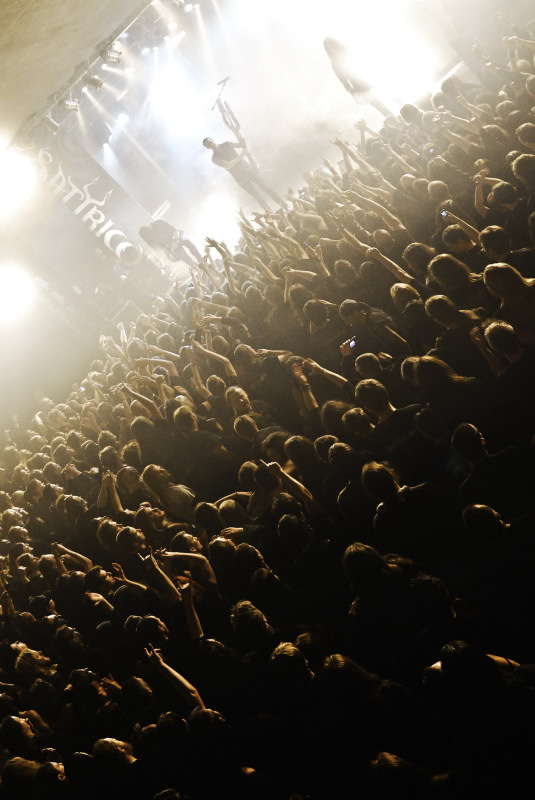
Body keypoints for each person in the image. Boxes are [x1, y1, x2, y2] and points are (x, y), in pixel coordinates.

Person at [202, 137, 285, 210]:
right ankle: (270, 214)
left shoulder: (227, 143)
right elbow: (228, 165)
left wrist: (242, 137)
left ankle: (283, 204)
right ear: (207, 148)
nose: (211, 144)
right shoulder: (214, 158)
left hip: (248, 169)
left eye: (210, 142)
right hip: (240, 178)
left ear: (213, 140)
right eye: (208, 145)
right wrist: (241, 155)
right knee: (257, 196)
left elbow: (242, 144)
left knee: (265, 187)